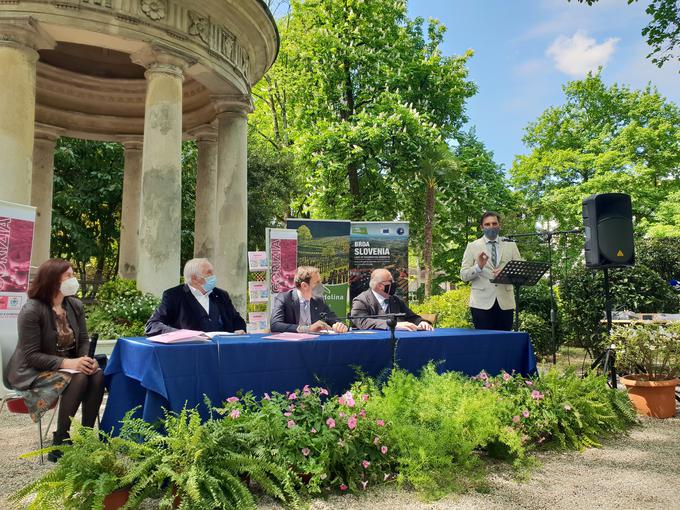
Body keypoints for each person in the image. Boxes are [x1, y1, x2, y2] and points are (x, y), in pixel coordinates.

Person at [6, 259, 104, 461]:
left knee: (95, 375)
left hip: (68, 367)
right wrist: (70, 364)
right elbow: (32, 356)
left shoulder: (74, 305)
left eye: (73, 274)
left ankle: (86, 439)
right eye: (68, 275)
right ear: (52, 280)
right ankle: (61, 440)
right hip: (32, 371)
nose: (73, 279)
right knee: (78, 378)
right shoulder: (32, 310)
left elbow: (84, 339)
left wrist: (86, 360)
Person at [145, 258, 247, 335]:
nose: (213, 276)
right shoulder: (174, 296)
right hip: (191, 352)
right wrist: (180, 334)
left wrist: (240, 330)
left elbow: (237, 320)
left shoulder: (221, 295)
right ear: (194, 278)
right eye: (209, 273)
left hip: (223, 352)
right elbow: (152, 325)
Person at [460, 211, 522, 331]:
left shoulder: (511, 245)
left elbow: (519, 272)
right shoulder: (472, 246)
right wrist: (478, 267)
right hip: (481, 304)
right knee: (484, 343)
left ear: (499, 225)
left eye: (494, 223)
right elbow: (463, 275)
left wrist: (505, 274)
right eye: (487, 224)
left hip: (505, 303)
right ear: (482, 227)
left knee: (504, 343)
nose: (491, 227)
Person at [270, 266, 349, 333]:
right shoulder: (284, 298)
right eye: (317, 282)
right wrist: (307, 329)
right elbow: (275, 325)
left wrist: (339, 326)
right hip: (292, 345)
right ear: (304, 285)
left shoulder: (319, 301)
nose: (321, 286)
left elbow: (334, 320)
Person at [351, 268, 433, 331]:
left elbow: (411, 317)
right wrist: (392, 325)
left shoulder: (396, 300)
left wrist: (421, 322)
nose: (394, 283)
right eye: (390, 281)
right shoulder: (361, 300)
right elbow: (361, 321)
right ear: (380, 286)